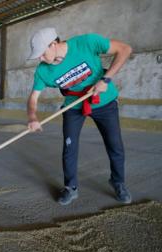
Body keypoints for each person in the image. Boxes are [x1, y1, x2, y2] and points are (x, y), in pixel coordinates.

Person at [26, 27, 133, 205]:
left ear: (53, 44)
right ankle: (70, 187)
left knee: (115, 145)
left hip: (104, 101)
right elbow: (33, 98)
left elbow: (125, 49)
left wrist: (105, 79)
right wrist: (32, 117)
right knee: (69, 147)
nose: (40, 58)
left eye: (42, 53)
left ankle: (118, 182)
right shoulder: (43, 71)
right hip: (73, 106)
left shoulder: (86, 43)